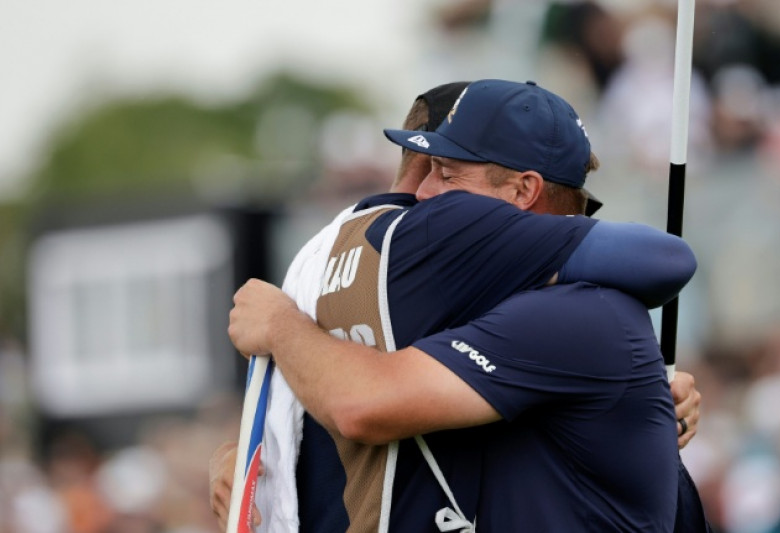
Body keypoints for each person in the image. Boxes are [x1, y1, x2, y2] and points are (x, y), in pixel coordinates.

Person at [211, 80, 704, 531]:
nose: (422, 194)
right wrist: (257, 458)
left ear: (524, 190)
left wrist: (280, 324)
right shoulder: (494, 312)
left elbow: (362, 403)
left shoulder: (582, 315)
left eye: (447, 176)